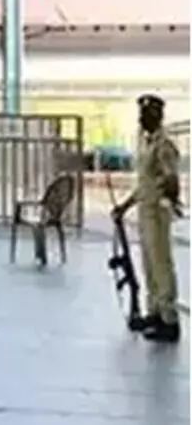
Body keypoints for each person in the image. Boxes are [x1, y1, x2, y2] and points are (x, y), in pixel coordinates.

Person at [113, 94, 182, 343]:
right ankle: (154, 312)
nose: (142, 119)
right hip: (145, 210)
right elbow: (144, 184)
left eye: (148, 115)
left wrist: (169, 201)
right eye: (141, 114)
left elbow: (171, 179)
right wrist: (125, 206)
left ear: (158, 117)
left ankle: (169, 320)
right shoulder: (145, 143)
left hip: (158, 212)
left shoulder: (164, 145)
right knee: (149, 264)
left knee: (161, 264)